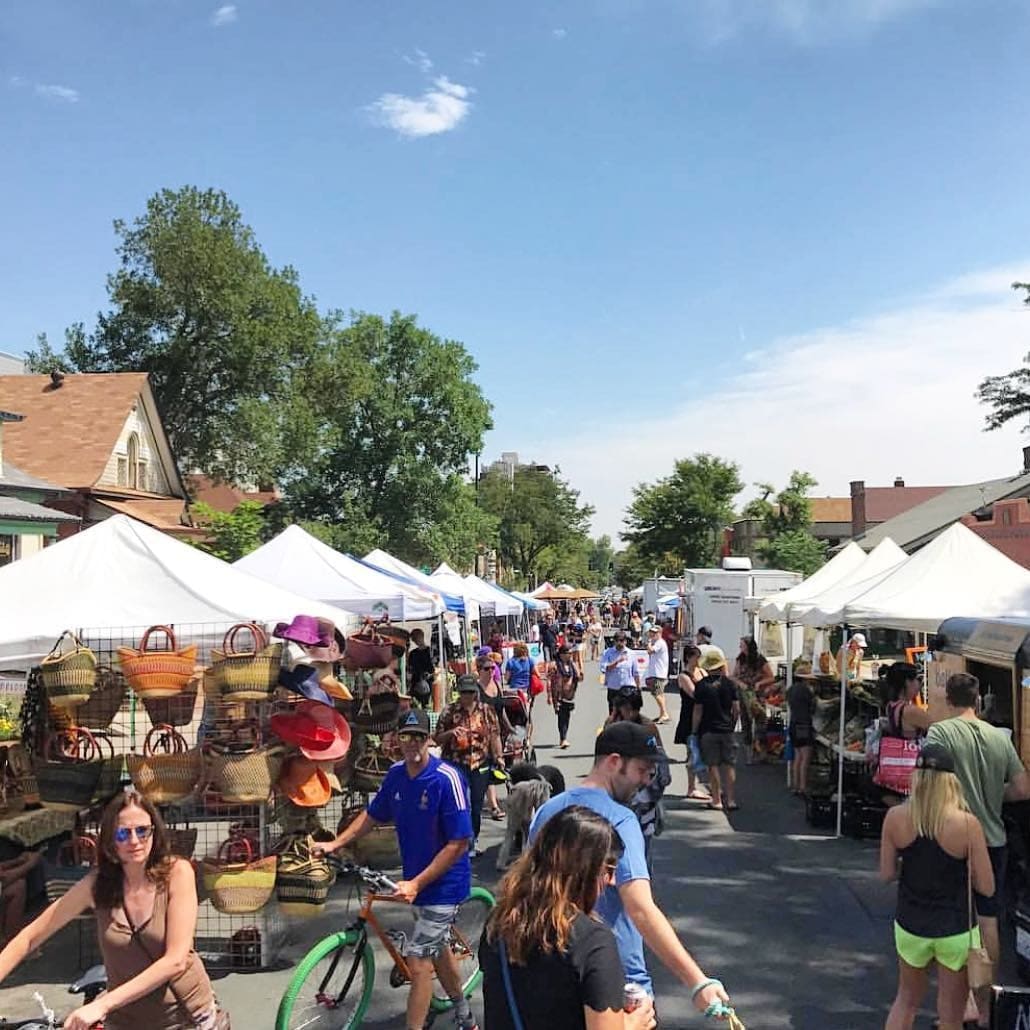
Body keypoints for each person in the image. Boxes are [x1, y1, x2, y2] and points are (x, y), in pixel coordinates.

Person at [529, 722, 731, 1016]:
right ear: (614, 762)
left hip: (552, 963)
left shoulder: (548, 810)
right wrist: (697, 982)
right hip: (615, 973)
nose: (647, 780)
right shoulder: (621, 820)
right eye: (642, 769)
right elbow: (639, 907)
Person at [0, 790, 219, 1030]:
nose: (134, 841)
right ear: (110, 840)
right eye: (123, 833)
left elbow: (175, 961)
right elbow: (30, 937)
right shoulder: (98, 884)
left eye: (142, 831)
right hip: (126, 1021)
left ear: (154, 833)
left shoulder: (177, 873)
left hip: (186, 1019)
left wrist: (102, 1004)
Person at [321, 708, 478, 1030]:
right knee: (437, 948)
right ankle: (463, 1010)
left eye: (418, 737)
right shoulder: (394, 774)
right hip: (414, 880)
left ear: (428, 738)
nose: (411, 744)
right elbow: (373, 814)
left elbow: (459, 842)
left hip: (444, 884)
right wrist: (336, 844)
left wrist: (417, 884)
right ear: (396, 739)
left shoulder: (446, 778)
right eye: (405, 736)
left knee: (419, 962)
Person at [480, 805, 656, 1030]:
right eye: (609, 869)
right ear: (585, 871)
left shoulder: (498, 922)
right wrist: (633, 1024)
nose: (611, 881)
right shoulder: (593, 942)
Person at [925, 672, 1030, 1024]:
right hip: (993, 840)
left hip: (951, 838)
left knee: (952, 923)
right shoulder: (999, 738)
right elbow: (1022, 788)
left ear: (949, 700)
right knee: (988, 922)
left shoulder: (940, 732)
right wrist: (992, 798)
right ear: (978, 702)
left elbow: (927, 782)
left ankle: (956, 1006)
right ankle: (983, 1006)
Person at [879, 743, 994, 1030]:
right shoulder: (968, 825)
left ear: (916, 777)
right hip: (954, 928)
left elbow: (886, 874)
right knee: (951, 1015)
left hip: (910, 924)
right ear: (951, 781)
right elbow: (987, 887)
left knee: (906, 1000)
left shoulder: (895, 818)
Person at [436, 674, 505, 855]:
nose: (467, 696)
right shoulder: (449, 711)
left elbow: (495, 734)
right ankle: (460, 841)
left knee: (476, 804)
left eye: (470, 692)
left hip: (480, 763)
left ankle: (472, 839)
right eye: (464, 692)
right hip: (456, 763)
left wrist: (499, 756)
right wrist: (451, 733)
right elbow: (436, 738)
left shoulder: (486, 710)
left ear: (475, 693)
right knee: (462, 802)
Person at [605, 688, 670, 871]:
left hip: (643, 801)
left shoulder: (647, 728)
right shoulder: (613, 726)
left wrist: (652, 792)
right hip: (618, 800)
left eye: (621, 708)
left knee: (642, 853)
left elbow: (661, 765)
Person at [692, 647, 741, 812]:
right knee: (729, 765)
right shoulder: (730, 684)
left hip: (708, 730)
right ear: (721, 666)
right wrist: (732, 724)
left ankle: (717, 799)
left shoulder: (701, 686)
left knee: (712, 766)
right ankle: (732, 799)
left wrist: (694, 730)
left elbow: (697, 710)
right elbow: (736, 709)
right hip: (727, 730)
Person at [674, 644, 709, 801]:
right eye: (696, 657)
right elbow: (695, 694)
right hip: (689, 716)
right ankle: (691, 787)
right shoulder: (684, 676)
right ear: (689, 657)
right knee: (692, 751)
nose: (698, 660)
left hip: (705, 715)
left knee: (707, 750)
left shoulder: (702, 672)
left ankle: (710, 784)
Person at [734, 636, 775, 763]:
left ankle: (761, 751)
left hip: (757, 695)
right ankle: (749, 754)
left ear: (748, 646)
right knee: (745, 722)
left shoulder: (760, 659)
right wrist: (740, 683)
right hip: (743, 694)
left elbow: (771, 677)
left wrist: (759, 683)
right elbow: (733, 676)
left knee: (760, 722)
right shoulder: (740, 659)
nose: (740, 647)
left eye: (742, 645)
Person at [882, 662, 930, 740]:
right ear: (907, 682)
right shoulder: (910, 711)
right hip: (914, 751)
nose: (919, 684)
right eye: (917, 679)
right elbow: (940, 732)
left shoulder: (890, 706)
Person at [786, 675, 817, 796]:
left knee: (797, 755)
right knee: (805, 756)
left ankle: (795, 785)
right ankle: (803, 787)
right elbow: (813, 707)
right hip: (804, 724)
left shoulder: (790, 690)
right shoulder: (807, 690)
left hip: (793, 723)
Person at [599, 631, 641, 711]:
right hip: (614, 688)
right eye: (617, 640)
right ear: (614, 641)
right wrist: (617, 661)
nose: (619, 643)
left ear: (625, 641)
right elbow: (604, 668)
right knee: (613, 714)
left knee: (627, 714)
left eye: (622, 640)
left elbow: (636, 673)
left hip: (628, 688)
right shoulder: (608, 652)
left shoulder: (631, 653)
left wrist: (638, 689)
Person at [549, 644, 580, 749]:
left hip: (570, 695)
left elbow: (580, 677)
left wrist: (577, 665)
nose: (570, 655)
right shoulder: (554, 665)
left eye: (571, 653)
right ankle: (563, 738)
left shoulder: (572, 665)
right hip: (558, 695)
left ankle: (564, 736)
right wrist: (549, 696)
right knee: (561, 717)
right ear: (562, 654)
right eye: (568, 653)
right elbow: (550, 681)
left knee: (567, 717)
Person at [644, 625, 671, 725]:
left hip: (658, 673)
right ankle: (662, 714)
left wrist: (649, 642)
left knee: (657, 694)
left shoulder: (660, 643)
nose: (652, 635)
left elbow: (650, 651)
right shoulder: (657, 643)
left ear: (660, 633)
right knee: (660, 694)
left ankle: (664, 714)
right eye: (651, 632)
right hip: (657, 672)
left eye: (655, 633)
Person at [408, 628, 435, 707]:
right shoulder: (413, 653)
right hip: (416, 683)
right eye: (414, 639)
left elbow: (435, 668)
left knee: (426, 704)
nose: (416, 640)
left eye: (417, 637)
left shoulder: (430, 651)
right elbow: (410, 669)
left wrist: (430, 675)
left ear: (422, 636)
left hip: (428, 682)